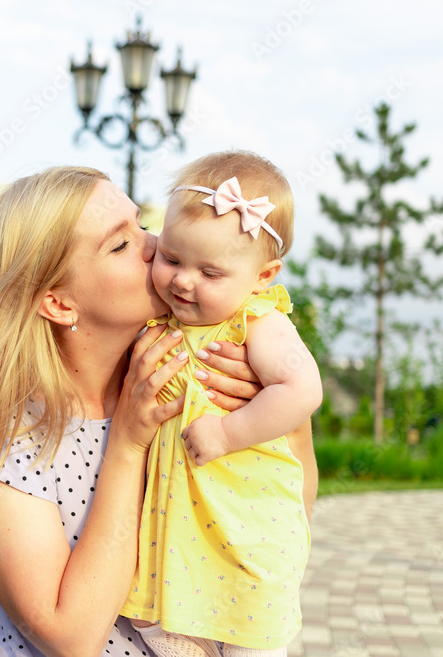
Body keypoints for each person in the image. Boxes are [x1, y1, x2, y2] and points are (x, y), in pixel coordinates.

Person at [0, 165, 318, 657]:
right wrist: (126, 445)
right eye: (121, 244)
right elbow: (70, 638)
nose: (155, 245)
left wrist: (278, 414)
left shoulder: (177, 373)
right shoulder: (5, 437)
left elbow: (286, 510)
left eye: (142, 224)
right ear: (59, 303)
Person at [120, 151, 323, 657]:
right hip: (179, 533)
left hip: (248, 530)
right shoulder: (160, 322)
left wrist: (228, 432)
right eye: (171, 259)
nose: (183, 281)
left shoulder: (257, 323)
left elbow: (303, 389)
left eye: (210, 272)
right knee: (152, 616)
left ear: (263, 276)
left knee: (249, 633)